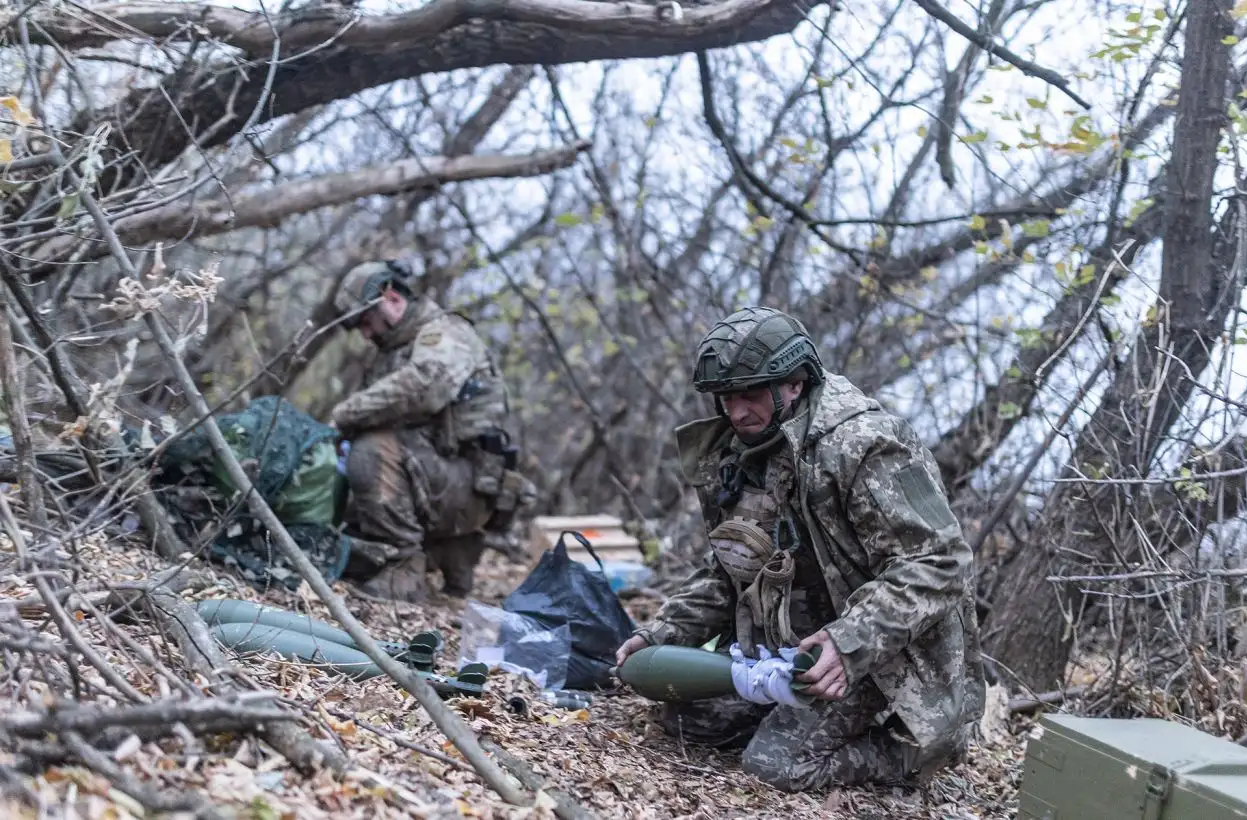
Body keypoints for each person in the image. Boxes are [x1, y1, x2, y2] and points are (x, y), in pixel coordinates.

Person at [615, 306, 985, 793]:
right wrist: (665, 630)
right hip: (785, 657)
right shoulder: (743, 451)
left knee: (774, 766)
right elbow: (730, 569)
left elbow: (939, 561)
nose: (736, 411)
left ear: (794, 383)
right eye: (725, 398)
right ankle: (790, 716)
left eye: (750, 394)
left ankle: (908, 752)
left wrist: (848, 642)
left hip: (878, 660)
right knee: (688, 720)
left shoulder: (863, 445)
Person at [329, 259, 536, 603]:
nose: (366, 334)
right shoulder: (391, 353)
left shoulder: (445, 333)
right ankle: (436, 559)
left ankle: (404, 570)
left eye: (366, 322)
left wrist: (344, 415)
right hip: (440, 479)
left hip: (466, 488)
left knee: (370, 453)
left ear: (391, 299)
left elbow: (426, 386)